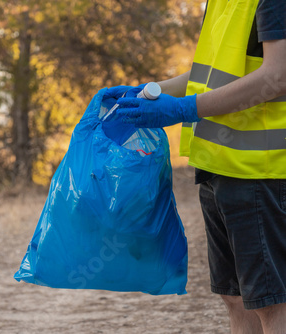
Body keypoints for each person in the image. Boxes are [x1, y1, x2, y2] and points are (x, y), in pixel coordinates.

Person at [109, 0, 286, 333]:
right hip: (218, 167)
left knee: (273, 302)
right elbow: (208, 73)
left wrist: (183, 109)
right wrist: (150, 92)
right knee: (236, 298)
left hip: (262, 171)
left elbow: (278, 76)